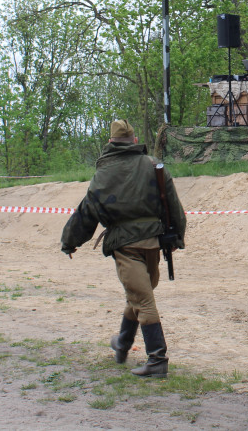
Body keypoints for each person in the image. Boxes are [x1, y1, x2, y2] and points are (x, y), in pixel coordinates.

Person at [60, 119, 187, 378]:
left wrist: (70, 241)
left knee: (142, 297)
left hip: (125, 244)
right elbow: (173, 205)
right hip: (152, 241)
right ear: (134, 141)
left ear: (110, 143)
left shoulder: (102, 175)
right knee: (142, 295)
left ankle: (155, 359)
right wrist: (177, 238)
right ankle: (129, 345)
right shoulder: (153, 165)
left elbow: (87, 212)